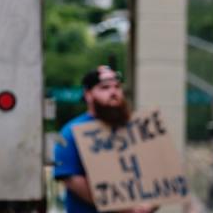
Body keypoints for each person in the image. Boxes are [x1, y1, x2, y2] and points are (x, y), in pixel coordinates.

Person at [53, 65, 156, 213]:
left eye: (117, 87)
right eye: (105, 87)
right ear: (88, 94)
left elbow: (155, 173)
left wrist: (151, 204)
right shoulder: (70, 133)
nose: (113, 92)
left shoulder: (136, 129)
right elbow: (71, 179)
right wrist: (126, 209)